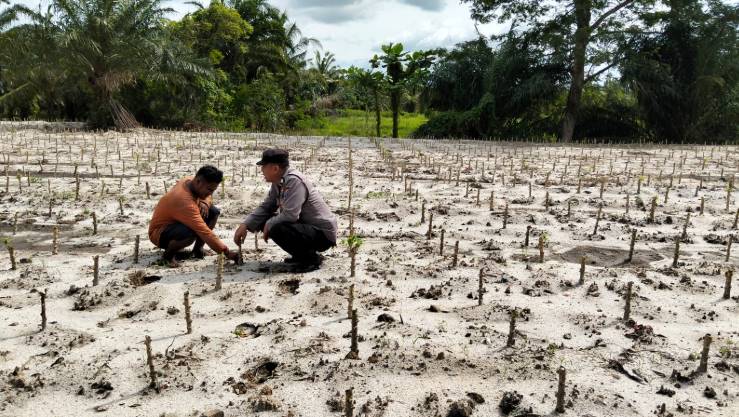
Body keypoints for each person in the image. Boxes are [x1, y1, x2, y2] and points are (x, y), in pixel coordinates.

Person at [234, 149, 337, 272]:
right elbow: (267, 206)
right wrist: (245, 224)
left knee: (277, 227)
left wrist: (269, 223)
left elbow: (291, 215)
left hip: (322, 234)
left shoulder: (294, 181)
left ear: (275, 169)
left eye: (263, 167)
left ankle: (310, 260)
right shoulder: (278, 181)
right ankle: (300, 255)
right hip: (307, 228)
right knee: (265, 220)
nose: (261, 170)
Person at [149, 165, 239, 267]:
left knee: (213, 212)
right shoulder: (184, 202)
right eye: (209, 190)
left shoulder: (189, 180)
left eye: (213, 191)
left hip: (177, 223)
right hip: (159, 233)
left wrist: (205, 202)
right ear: (198, 182)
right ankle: (167, 257)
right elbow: (204, 231)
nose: (210, 193)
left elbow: (208, 197)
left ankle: (197, 250)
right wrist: (226, 252)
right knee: (191, 232)